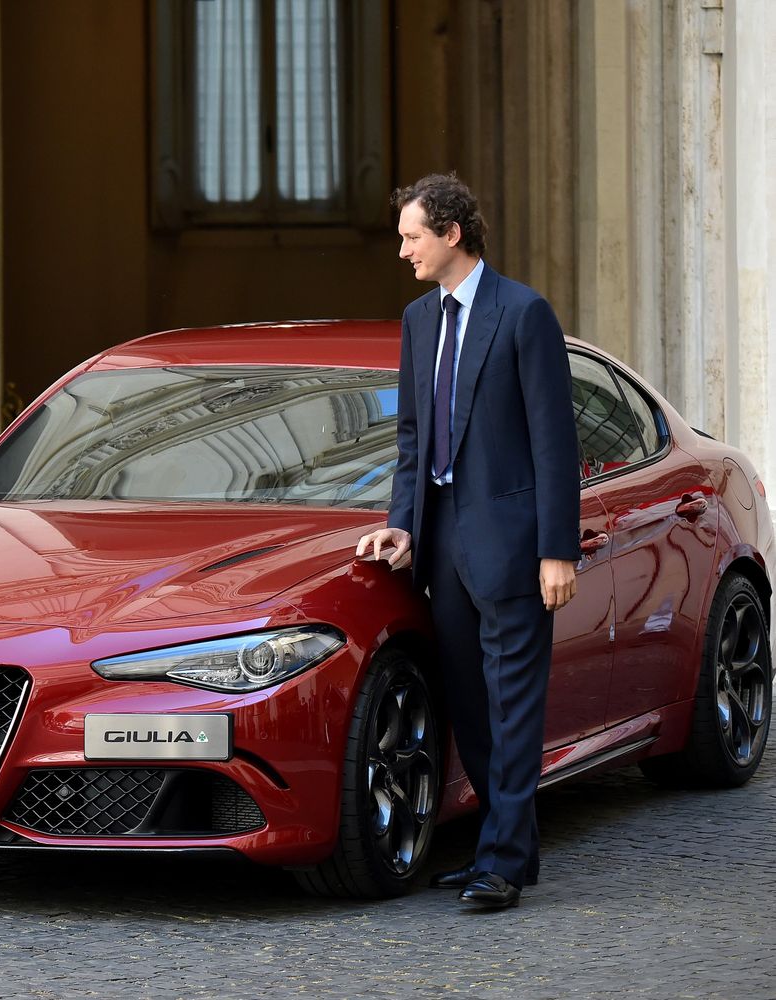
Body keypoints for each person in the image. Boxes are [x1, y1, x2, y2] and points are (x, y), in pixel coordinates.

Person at [355, 173, 579, 910]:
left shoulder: (524, 314)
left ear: (451, 234)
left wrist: (559, 549)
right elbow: (413, 437)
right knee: (470, 704)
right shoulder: (419, 319)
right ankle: (505, 844)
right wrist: (400, 523)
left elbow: (554, 441)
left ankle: (503, 863)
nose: (403, 251)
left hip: (515, 548)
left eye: (412, 236)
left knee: (514, 705)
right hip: (442, 546)